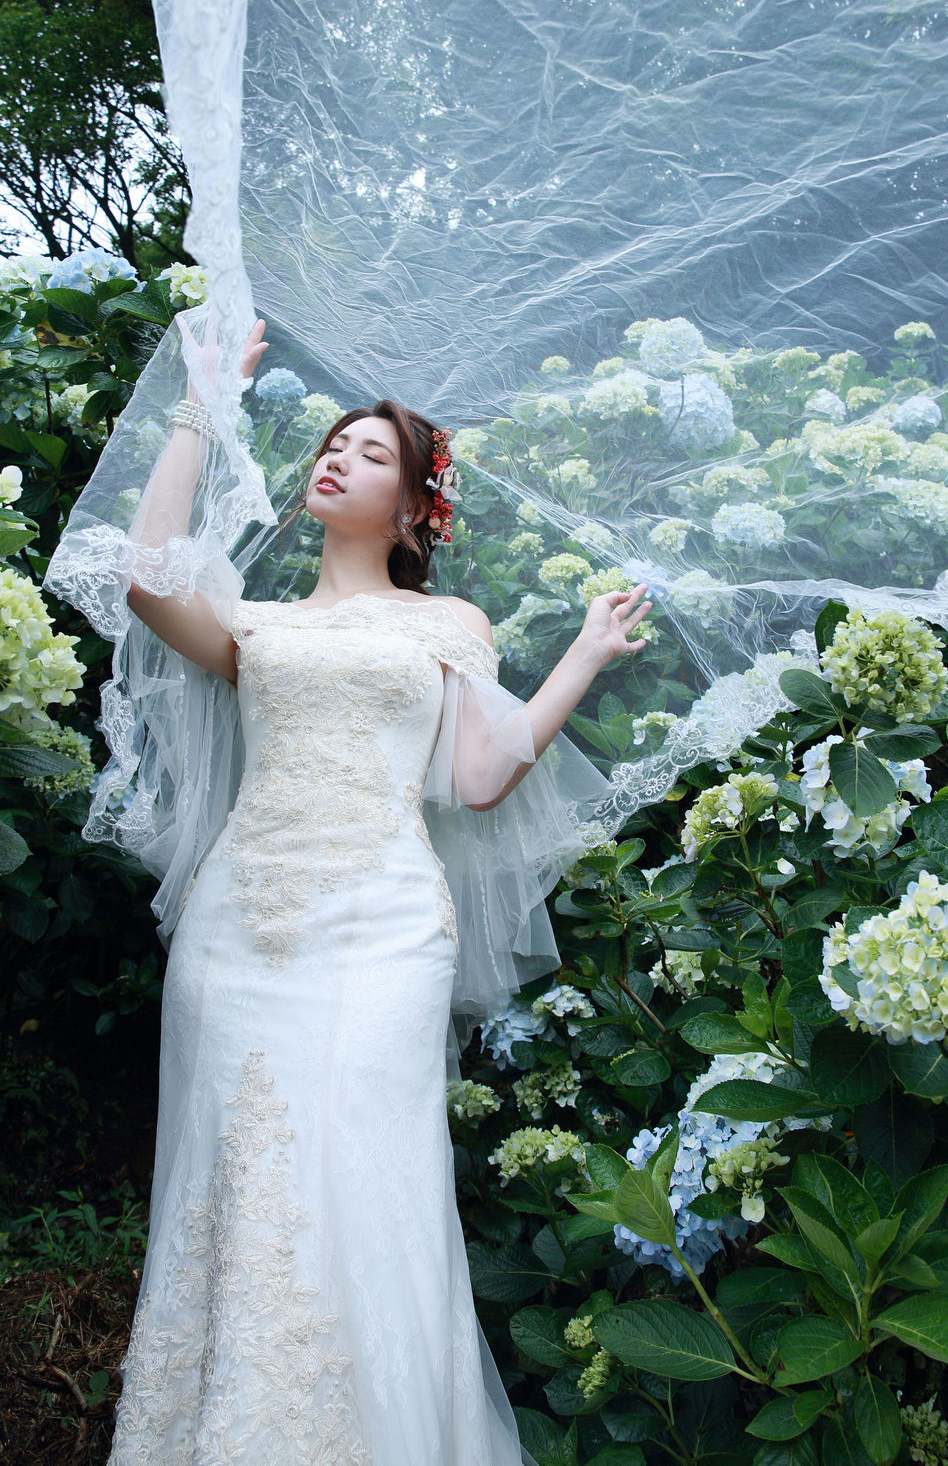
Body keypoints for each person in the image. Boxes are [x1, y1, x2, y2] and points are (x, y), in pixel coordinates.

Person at [77, 314, 651, 1463]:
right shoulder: (258, 622)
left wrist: (580, 656)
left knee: (369, 1183)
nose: (337, 454)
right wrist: (200, 402)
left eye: (372, 451)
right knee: (233, 1186)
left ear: (415, 508)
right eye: (331, 444)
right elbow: (143, 577)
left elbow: (480, 775)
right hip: (237, 934)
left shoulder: (451, 622)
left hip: (382, 931)